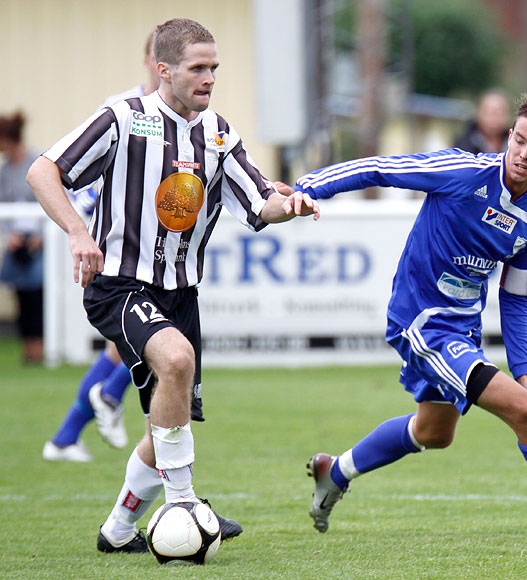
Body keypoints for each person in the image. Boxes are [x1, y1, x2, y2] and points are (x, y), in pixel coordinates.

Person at [286, 91, 527, 538]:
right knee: (524, 413)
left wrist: (524, 372)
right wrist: (307, 187)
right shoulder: (461, 171)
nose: (523, 153)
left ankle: (335, 471)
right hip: (421, 322)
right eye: (519, 140)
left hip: (462, 330)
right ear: (509, 136)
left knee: (434, 432)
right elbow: (377, 167)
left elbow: (516, 297)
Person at [27, 17, 319, 554]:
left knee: (165, 421)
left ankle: (117, 533)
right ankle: (183, 503)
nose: (209, 78)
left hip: (181, 293)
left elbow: (260, 201)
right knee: (177, 361)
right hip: (118, 284)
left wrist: (291, 205)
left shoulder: (218, 133)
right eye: (197, 68)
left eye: (214, 68)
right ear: (163, 70)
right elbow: (44, 171)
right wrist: (76, 234)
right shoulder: (123, 117)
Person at [43, 30, 161, 463]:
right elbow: (70, 170)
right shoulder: (124, 111)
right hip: (107, 243)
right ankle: (106, 398)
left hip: (146, 246)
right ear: (153, 62)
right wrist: (83, 230)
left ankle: (65, 437)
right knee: (149, 337)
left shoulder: (183, 118)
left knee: (135, 340)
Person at [0, 112, 43, 363]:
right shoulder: (5, 171)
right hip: (16, 239)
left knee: (38, 298)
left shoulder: (37, 161)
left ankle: (40, 349)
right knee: (20, 297)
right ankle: (28, 350)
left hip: (38, 240)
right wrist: (9, 235)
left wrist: (40, 236)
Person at [454, 89, 510, 154]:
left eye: (500, 112)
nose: (494, 118)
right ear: (479, 113)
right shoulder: (463, 143)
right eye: (490, 112)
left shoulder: (514, 143)